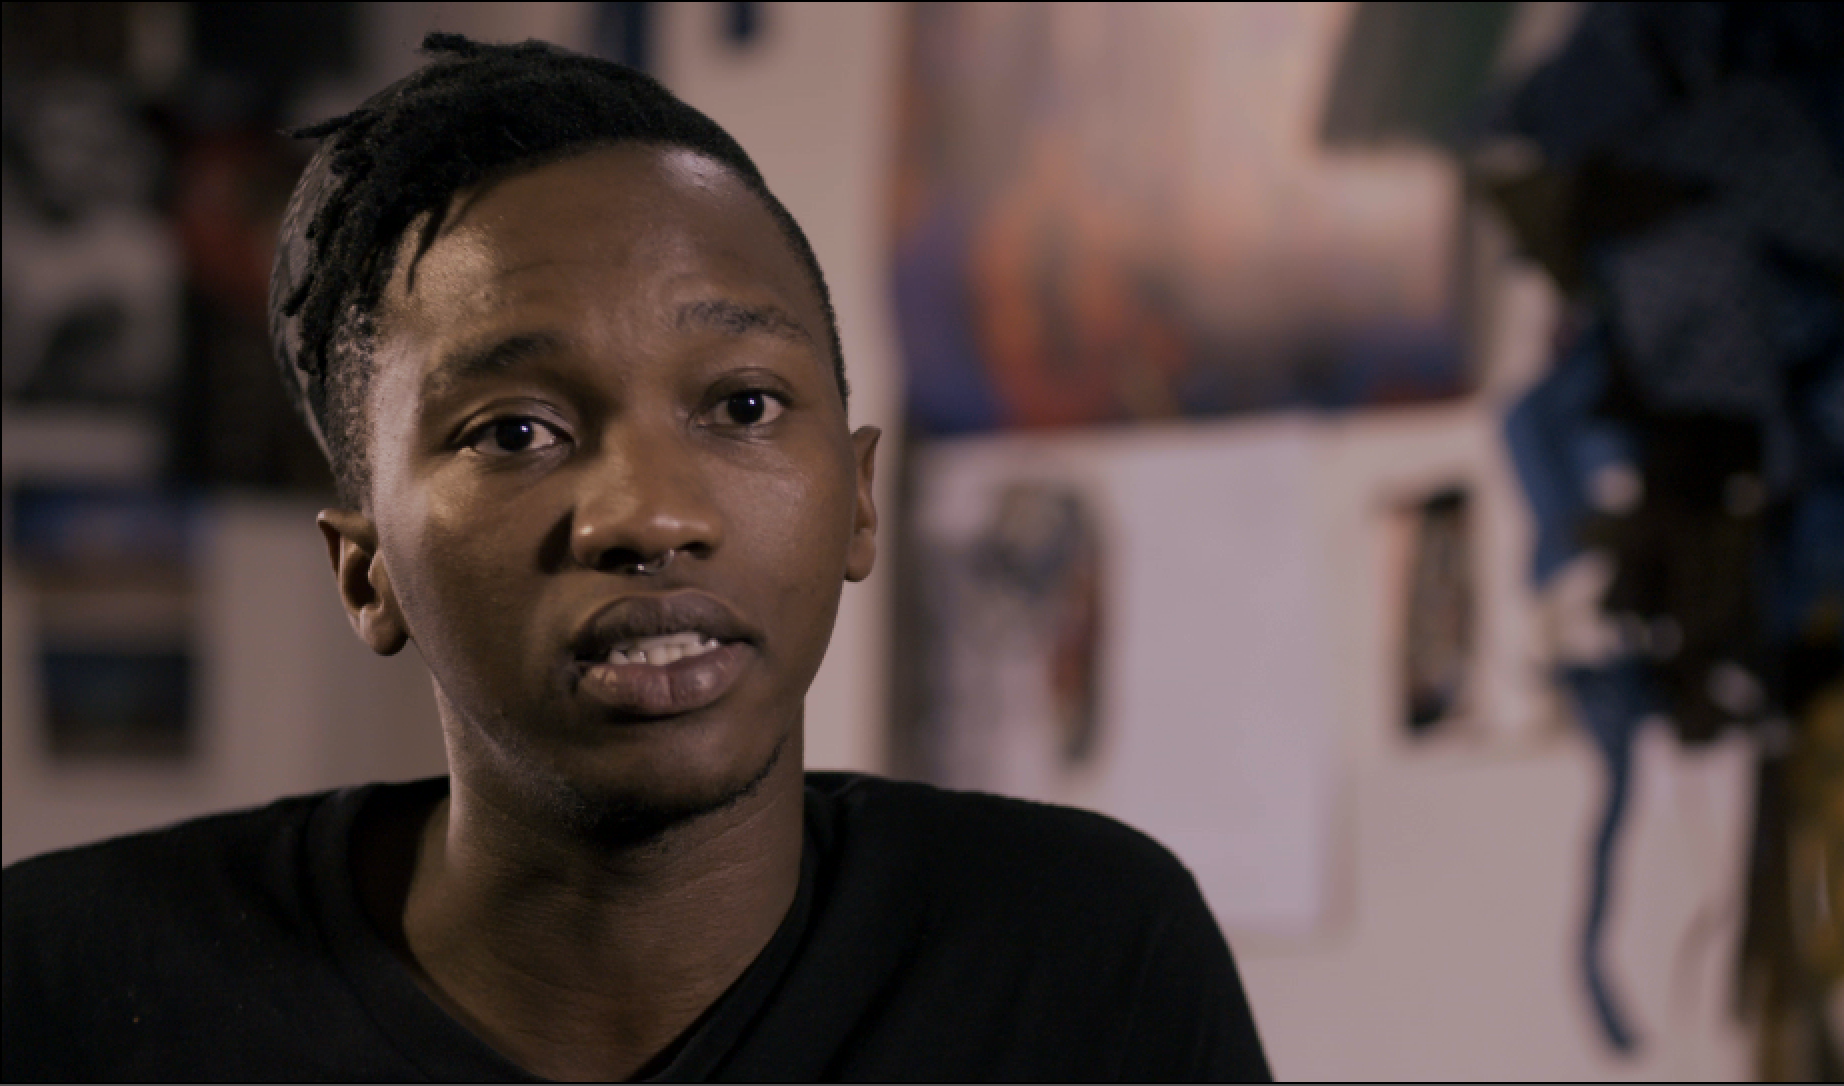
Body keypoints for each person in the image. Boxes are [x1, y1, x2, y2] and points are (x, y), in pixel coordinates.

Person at [2, 35, 1270, 1082]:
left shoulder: (1080, 963)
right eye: (515, 432)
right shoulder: (69, 989)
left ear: (859, 500)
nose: (650, 517)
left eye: (744, 406)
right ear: (365, 572)